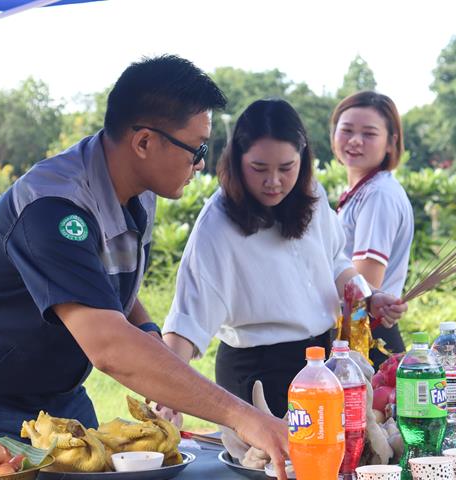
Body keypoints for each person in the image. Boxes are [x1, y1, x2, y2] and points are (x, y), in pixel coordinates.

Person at [0, 55, 290, 477]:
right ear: (144, 142)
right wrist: (244, 416)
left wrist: (153, 345)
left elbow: (105, 288)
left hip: (54, 389)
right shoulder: (53, 208)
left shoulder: (139, 189)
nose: (201, 163)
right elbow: (109, 346)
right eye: (196, 148)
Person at [160, 99, 407, 420]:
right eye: (259, 168)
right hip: (257, 372)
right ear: (237, 161)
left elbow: (335, 262)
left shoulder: (311, 196)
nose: (273, 181)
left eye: (286, 168)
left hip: (321, 362)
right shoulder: (218, 222)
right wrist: (167, 395)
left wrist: (368, 297)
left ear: (302, 160)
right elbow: (186, 321)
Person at [330, 91, 414, 367]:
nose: (355, 141)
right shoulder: (364, 191)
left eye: (368, 133)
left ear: (391, 143)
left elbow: (365, 284)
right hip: (357, 333)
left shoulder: (378, 195)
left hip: (368, 337)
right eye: (347, 130)